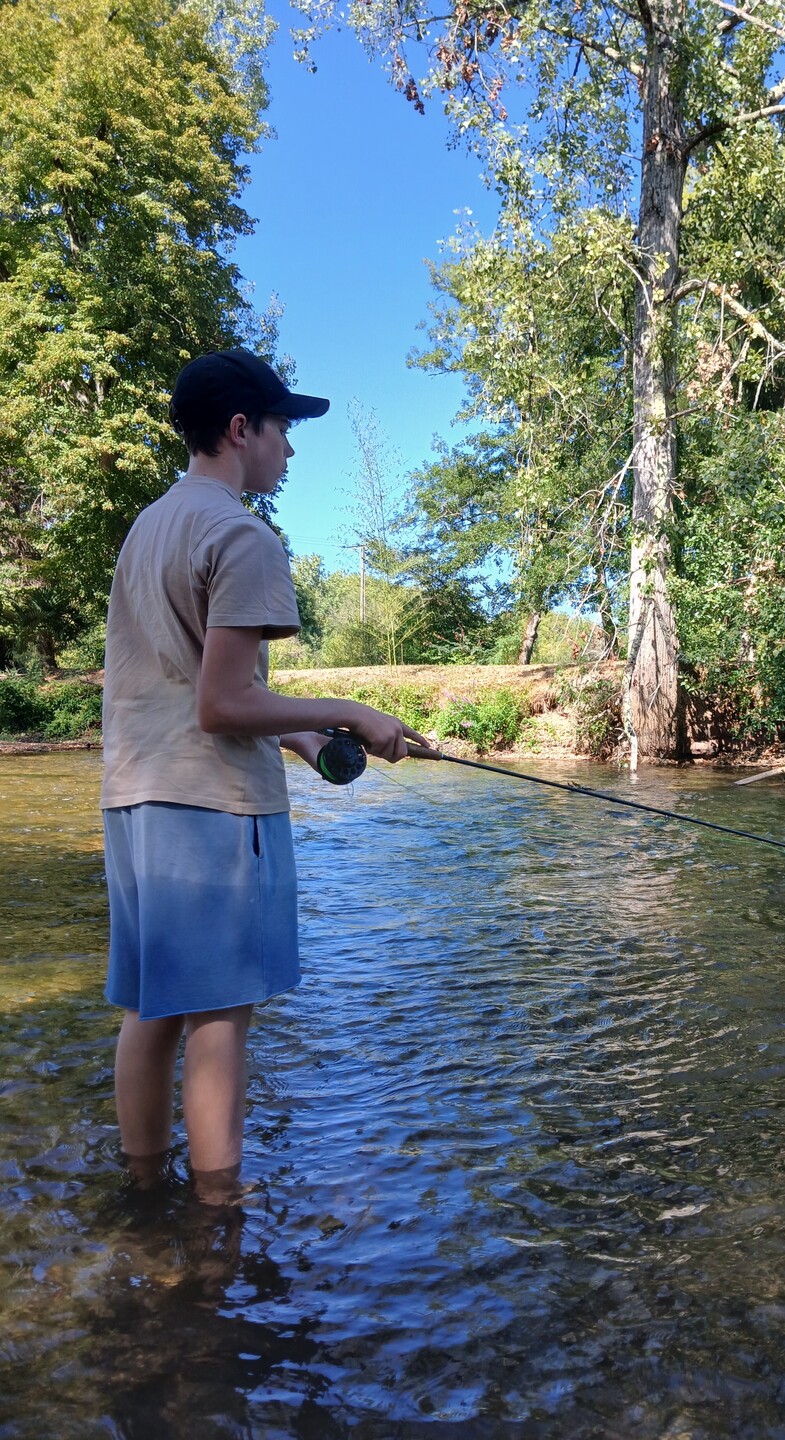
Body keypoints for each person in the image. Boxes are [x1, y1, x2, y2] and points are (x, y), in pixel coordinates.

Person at [100, 348, 432, 1201]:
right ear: (241, 429)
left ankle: (143, 1195)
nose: (290, 447)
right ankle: (219, 1220)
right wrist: (354, 710)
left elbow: (188, 690)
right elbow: (221, 705)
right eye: (284, 427)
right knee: (218, 1017)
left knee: (151, 1009)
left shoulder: (149, 528)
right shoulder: (242, 536)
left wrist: (309, 739)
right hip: (211, 811)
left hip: (134, 800)